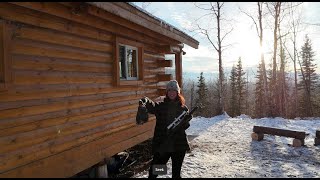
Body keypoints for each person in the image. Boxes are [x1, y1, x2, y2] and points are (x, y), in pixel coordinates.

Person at [137, 80, 191, 178]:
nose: (171, 92)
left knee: (176, 174)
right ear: (167, 92)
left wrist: (186, 122)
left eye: (174, 90)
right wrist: (145, 100)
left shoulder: (184, 109)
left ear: (177, 92)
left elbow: (185, 127)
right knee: (156, 171)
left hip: (178, 146)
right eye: (169, 90)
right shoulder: (161, 106)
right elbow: (152, 106)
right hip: (164, 146)